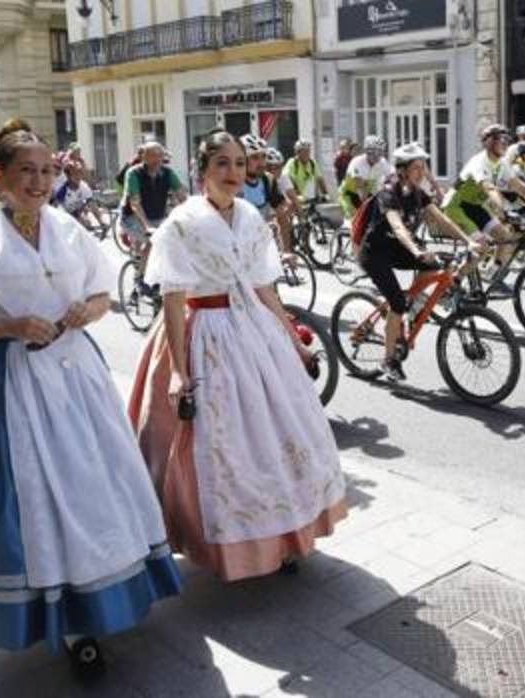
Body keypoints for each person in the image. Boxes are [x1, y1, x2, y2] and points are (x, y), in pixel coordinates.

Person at [0, 118, 181, 675]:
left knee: (93, 483)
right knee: (33, 498)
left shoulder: (65, 227)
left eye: (46, 171)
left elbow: (103, 292)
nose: (38, 182)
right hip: (7, 386)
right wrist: (8, 326)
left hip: (76, 376)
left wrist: (91, 309)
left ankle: (98, 601)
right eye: (26, 172)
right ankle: (51, 613)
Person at [128, 129, 347, 581]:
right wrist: (178, 373)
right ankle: (232, 545)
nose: (233, 173)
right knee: (223, 449)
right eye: (221, 164)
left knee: (278, 438)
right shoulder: (181, 224)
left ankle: (284, 538)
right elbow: (173, 300)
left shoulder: (250, 215)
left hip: (254, 332)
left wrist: (292, 339)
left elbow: (263, 287)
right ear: (202, 171)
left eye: (240, 163)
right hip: (204, 333)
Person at [360, 143, 485, 382]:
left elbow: (443, 220)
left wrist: (469, 241)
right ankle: (388, 360)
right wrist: (417, 250)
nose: (422, 171)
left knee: (436, 266)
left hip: (398, 249)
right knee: (397, 301)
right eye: (417, 167)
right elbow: (397, 226)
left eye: (423, 166)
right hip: (375, 253)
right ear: (403, 170)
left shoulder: (419, 193)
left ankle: (414, 307)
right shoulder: (389, 192)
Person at [443, 123, 525, 281]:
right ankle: (453, 282)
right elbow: (489, 188)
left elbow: (517, 184)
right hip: (456, 207)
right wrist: (504, 211)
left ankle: (491, 275)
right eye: (501, 139)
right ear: (489, 142)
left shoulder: (502, 163)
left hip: (475, 206)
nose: (506, 142)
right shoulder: (479, 162)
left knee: (506, 237)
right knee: (482, 247)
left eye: (508, 139)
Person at [122, 141, 187, 282]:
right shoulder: (134, 174)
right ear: (144, 157)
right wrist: (147, 226)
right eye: (152, 156)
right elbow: (135, 205)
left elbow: (182, 196)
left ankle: (160, 277)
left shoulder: (168, 173)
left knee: (176, 240)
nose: (157, 159)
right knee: (154, 240)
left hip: (157, 216)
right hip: (133, 218)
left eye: (160, 155)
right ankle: (140, 279)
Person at [338, 135, 392, 219]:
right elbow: (361, 188)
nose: (378, 156)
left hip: (368, 194)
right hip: (349, 195)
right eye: (375, 153)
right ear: (368, 152)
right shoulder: (357, 162)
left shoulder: (382, 162)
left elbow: (392, 176)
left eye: (380, 152)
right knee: (356, 220)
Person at [52, 162, 106, 231]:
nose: (78, 177)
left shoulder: (83, 186)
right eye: (74, 174)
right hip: (68, 215)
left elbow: (91, 203)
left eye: (79, 173)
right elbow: (56, 207)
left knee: (88, 219)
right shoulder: (63, 190)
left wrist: (101, 221)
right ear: (69, 177)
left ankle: (102, 223)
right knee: (83, 224)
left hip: (79, 210)